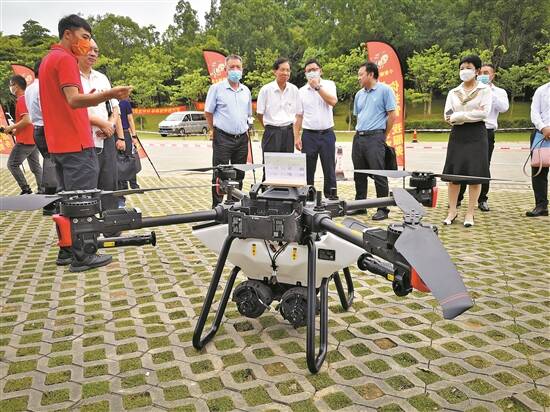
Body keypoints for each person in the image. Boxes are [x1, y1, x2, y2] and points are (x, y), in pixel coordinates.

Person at [39, 14, 132, 272]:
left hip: (58, 143)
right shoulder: (66, 59)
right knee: (84, 201)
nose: (88, 44)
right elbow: (74, 100)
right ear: (68, 34)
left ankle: (67, 250)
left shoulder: (47, 60)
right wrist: (110, 94)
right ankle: (84, 254)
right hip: (76, 142)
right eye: (84, 37)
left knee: (67, 199)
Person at [442, 55, 491, 227]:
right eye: (462, 68)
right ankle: (452, 210)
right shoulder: (453, 92)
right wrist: (464, 115)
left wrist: (459, 116)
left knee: (474, 176)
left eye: (468, 68)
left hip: (477, 134)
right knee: (454, 176)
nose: (464, 71)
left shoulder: (484, 90)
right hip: (458, 135)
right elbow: (447, 116)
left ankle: (470, 213)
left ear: (477, 71)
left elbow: (483, 113)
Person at [78, 38, 124, 210]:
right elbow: (72, 107)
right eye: (88, 49)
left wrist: (110, 125)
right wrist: (100, 123)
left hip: (106, 140)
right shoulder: (71, 78)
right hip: (83, 142)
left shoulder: (102, 78)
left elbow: (115, 107)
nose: (93, 54)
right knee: (86, 187)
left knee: (109, 184)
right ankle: (88, 222)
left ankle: (110, 222)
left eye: (96, 51)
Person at [457, 63, 509, 212]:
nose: (483, 75)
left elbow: (504, 108)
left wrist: (488, 91)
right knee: (463, 163)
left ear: (493, 75)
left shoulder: (499, 92)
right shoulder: (469, 90)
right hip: (468, 129)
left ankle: (482, 199)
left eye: (487, 73)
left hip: (486, 131)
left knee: (483, 165)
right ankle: (458, 197)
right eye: (481, 73)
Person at [204, 54, 252, 207]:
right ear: (226, 69)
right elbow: (208, 112)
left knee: (239, 174)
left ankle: (236, 207)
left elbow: (248, 114)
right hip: (223, 138)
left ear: (242, 69)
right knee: (220, 174)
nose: (235, 70)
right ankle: (217, 208)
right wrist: (213, 130)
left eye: (238, 67)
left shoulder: (246, 90)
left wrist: (248, 129)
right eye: (232, 67)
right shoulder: (216, 89)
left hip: (242, 139)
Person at [351, 61, 396, 220]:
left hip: (375, 137)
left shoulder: (385, 90)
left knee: (379, 173)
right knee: (359, 173)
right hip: (359, 137)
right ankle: (360, 206)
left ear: (371, 74)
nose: (358, 77)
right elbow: (359, 115)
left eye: (361, 74)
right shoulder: (359, 94)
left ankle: (382, 208)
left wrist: (383, 135)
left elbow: (392, 115)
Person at [294, 59, 338, 199]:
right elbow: (299, 116)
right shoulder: (301, 91)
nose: (312, 72)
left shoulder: (329, 85)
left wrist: (317, 87)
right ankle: (308, 198)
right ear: (305, 73)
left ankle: (331, 197)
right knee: (308, 169)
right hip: (309, 135)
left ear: (320, 71)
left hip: (327, 133)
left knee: (329, 168)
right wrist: (296, 136)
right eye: (309, 71)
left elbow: (333, 101)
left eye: (314, 69)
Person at [24, 59, 59, 215]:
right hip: (47, 127)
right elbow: (48, 109)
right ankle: (50, 203)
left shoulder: (29, 88)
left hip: (37, 128)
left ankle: (49, 200)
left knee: (48, 160)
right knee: (52, 162)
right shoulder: (44, 87)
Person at [4, 74, 43, 195]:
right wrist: (15, 131)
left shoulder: (21, 99)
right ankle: (43, 189)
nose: (10, 87)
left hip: (25, 141)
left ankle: (26, 189)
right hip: (33, 138)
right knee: (35, 167)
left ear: (16, 86)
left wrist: (11, 127)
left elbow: (27, 120)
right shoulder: (28, 98)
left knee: (12, 164)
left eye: (11, 85)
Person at [257, 57, 300, 163]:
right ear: (275, 71)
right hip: (271, 132)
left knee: (287, 165)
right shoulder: (265, 90)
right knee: (270, 166)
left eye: (288, 70)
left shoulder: (294, 90)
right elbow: (259, 114)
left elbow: (298, 114)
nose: (285, 73)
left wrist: (296, 135)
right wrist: (269, 127)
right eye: (282, 69)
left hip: (288, 133)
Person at [525, 67, 549, 217]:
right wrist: (543, 127)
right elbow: (534, 112)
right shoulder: (541, 90)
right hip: (541, 134)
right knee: (539, 171)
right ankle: (541, 205)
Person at [118, 98, 140, 190]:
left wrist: (134, 135)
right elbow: (130, 119)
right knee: (124, 159)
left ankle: (131, 183)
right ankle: (127, 184)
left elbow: (130, 119)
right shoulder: (114, 102)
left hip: (123, 132)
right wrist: (134, 135)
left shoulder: (124, 102)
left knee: (125, 158)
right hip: (118, 133)